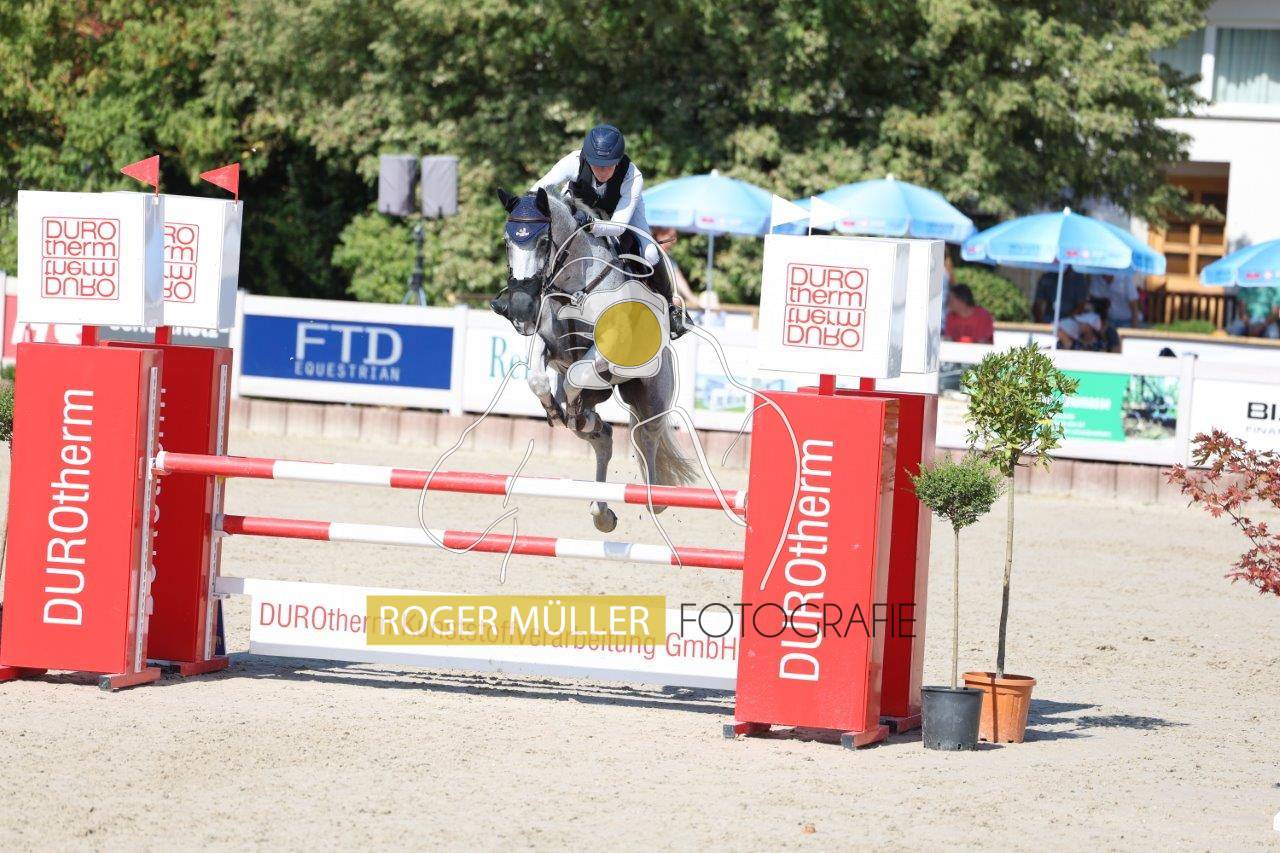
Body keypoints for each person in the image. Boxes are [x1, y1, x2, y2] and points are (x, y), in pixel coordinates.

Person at [532, 124, 684, 335]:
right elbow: (538, 189)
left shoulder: (632, 176)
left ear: (618, 160)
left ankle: (670, 308)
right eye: (596, 165)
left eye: (608, 166)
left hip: (620, 213)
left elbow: (619, 226)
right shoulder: (573, 161)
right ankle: (533, 294)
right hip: (580, 204)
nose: (602, 171)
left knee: (650, 252)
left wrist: (592, 224)